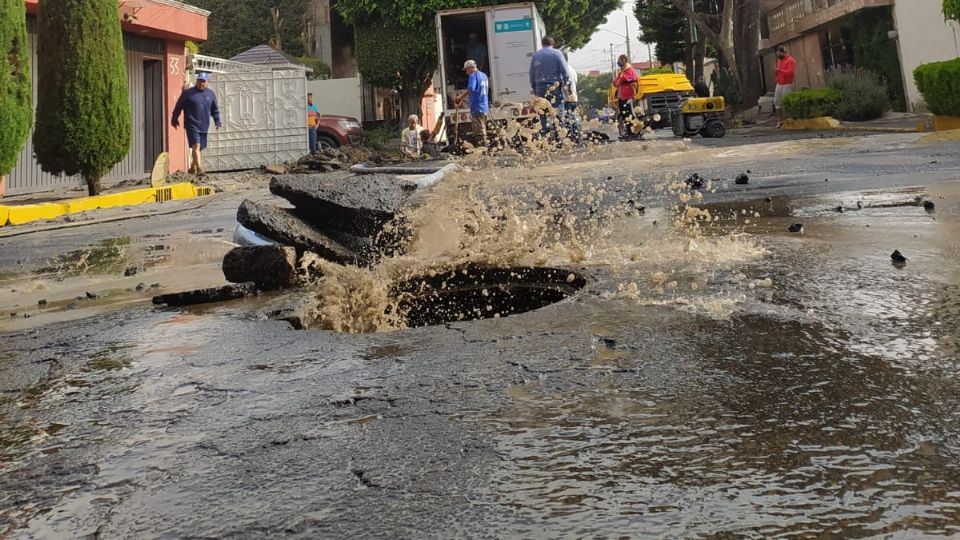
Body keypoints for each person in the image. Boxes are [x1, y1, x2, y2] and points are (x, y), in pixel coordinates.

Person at [171, 72, 221, 175]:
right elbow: (178, 106)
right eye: (199, 81)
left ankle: (192, 167)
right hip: (191, 124)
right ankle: (199, 169)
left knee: (200, 148)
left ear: (207, 82)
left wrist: (217, 120)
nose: (201, 83)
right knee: (196, 146)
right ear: (196, 81)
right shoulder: (188, 93)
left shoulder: (210, 94)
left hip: (204, 125)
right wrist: (174, 118)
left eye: (203, 81)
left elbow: (215, 109)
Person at [456, 60, 490, 147]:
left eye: (467, 69)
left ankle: (483, 150)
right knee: (483, 129)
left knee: (479, 133)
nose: (466, 72)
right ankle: (485, 148)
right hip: (485, 107)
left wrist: (460, 97)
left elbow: (471, 88)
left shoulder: (473, 76)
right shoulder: (484, 75)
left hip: (477, 107)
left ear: (471, 67)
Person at [529, 36, 569, 109]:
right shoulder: (558, 54)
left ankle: (544, 120)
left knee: (543, 111)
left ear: (542, 44)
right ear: (553, 44)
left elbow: (532, 73)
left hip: (540, 87)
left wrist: (534, 87)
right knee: (557, 111)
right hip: (554, 86)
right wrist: (564, 83)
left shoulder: (536, 55)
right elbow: (565, 72)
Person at [613, 55, 641, 140]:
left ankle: (635, 133)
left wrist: (620, 80)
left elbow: (622, 80)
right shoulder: (622, 71)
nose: (618, 62)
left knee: (630, 115)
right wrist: (619, 80)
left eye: (619, 60)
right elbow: (615, 83)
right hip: (622, 97)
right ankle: (629, 133)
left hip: (629, 96)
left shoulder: (629, 70)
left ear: (624, 60)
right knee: (625, 116)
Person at [775, 45, 796, 128]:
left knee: (787, 102)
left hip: (787, 84)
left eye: (780, 54)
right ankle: (780, 121)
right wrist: (776, 73)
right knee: (777, 102)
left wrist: (779, 70)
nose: (778, 55)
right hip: (779, 83)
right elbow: (778, 71)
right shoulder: (779, 61)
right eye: (777, 54)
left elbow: (790, 72)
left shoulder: (790, 60)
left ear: (784, 53)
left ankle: (790, 119)